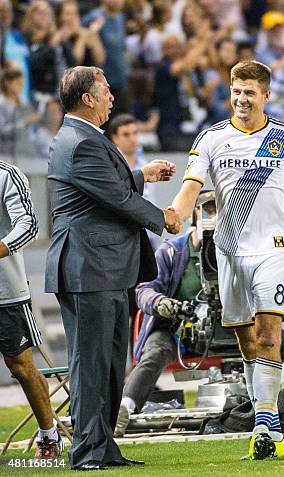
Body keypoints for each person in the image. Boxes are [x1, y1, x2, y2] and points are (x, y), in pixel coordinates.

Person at [170, 60, 284, 460]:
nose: (241, 99)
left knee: (267, 335)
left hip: (273, 249)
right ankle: (264, 415)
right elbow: (192, 185)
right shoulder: (211, 139)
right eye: (236, 91)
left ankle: (266, 425)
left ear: (266, 95)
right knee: (246, 342)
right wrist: (175, 211)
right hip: (228, 250)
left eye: (249, 92)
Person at [45, 66, 180, 470]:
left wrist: (143, 174)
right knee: (90, 364)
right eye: (105, 91)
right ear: (87, 98)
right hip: (89, 266)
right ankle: (87, 450)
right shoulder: (80, 141)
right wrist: (164, 218)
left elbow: (107, 186)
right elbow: (115, 198)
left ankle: (103, 447)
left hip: (104, 267)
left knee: (107, 363)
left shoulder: (82, 138)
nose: (112, 98)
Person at [114, 191, 284, 437]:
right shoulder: (172, 252)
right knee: (155, 350)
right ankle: (125, 408)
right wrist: (162, 303)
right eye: (209, 211)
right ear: (196, 216)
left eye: (220, 211)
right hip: (181, 331)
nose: (216, 218)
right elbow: (144, 289)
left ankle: (257, 401)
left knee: (279, 340)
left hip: (230, 328)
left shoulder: (242, 251)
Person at [0, 159, 64, 459]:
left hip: (6, 292)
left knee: (22, 368)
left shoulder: (7, 175)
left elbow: (28, 225)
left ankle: (49, 437)